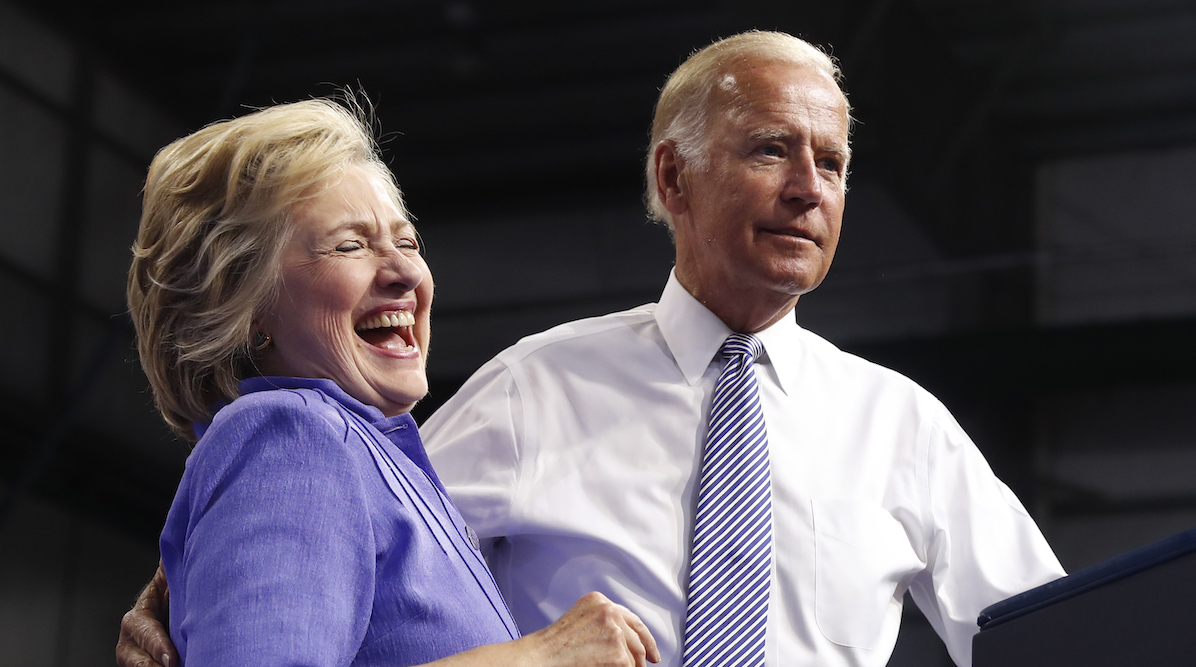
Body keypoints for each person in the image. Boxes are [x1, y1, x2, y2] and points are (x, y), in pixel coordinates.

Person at [118, 31, 1064, 667]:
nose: (810, 188)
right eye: (772, 149)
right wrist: (188, 585)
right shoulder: (531, 391)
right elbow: (342, 530)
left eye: (836, 164)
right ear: (673, 177)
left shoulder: (903, 426)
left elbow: (1063, 636)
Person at [120, 97, 658, 667]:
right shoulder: (290, 435)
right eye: (349, 245)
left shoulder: (369, 462)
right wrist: (538, 658)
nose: (405, 272)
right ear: (245, 306)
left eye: (406, 242)